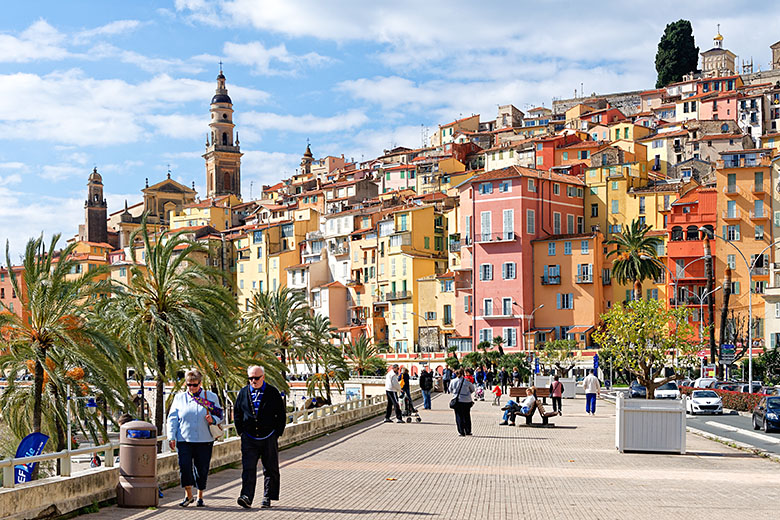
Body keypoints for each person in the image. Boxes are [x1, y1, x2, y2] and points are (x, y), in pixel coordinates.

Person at [166, 369, 223, 508]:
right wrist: (171, 436)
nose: (191, 388)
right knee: (184, 467)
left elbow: (220, 415)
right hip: (184, 439)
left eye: (194, 385)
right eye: (189, 385)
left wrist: (213, 419)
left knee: (202, 469)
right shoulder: (179, 398)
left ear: (200, 383)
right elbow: (172, 418)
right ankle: (188, 494)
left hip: (204, 439)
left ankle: (200, 495)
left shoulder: (210, 397)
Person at [235, 365, 287, 510]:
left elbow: (281, 414)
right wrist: (241, 432)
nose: (253, 381)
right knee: (248, 468)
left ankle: (268, 496)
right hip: (249, 438)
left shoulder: (272, 392)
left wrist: (277, 433)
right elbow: (237, 413)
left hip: (269, 436)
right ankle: (246, 496)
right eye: (250, 378)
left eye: (256, 378)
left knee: (270, 468)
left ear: (263, 377)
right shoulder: (243, 393)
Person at [449, 368, 475, 436]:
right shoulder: (467, 381)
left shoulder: (453, 381)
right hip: (467, 401)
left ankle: (461, 432)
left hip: (457, 401)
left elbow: (450, 390)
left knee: (459, 416)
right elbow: (472, 389)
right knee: (466, 416)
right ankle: (468, 431)